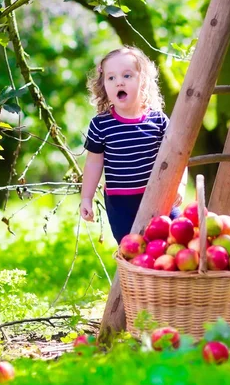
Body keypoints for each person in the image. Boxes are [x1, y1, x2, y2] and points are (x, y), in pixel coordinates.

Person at [80, 45, 187, 243]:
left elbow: (178, 155)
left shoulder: (158, 120)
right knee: (132, 248)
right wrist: (86, 198)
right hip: (121, 202)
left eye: (127, 76)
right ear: (104, 85)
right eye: (111, 78)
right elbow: (94, 164)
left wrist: (179, 185)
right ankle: (134, 275)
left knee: (174, 242)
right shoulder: (101, 124)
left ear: (142, 81)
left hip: (161, 196)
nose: (119, 82)